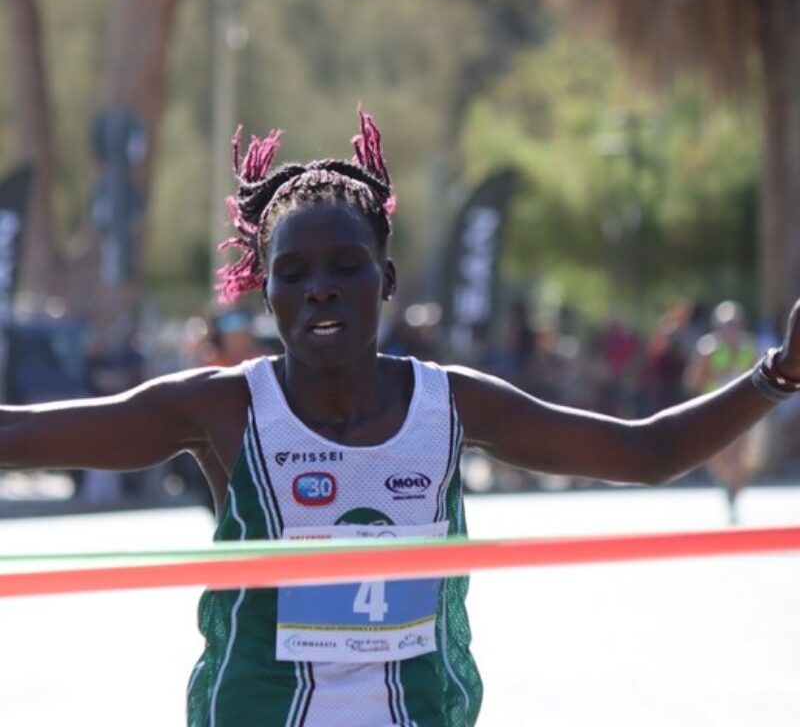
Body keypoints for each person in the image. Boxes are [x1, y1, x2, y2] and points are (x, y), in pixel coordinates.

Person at [2, 107, 800, 727]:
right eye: (296, 273)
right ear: (267, 291)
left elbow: (649, 452)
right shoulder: (223, 407)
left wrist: (780, 373)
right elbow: (22, 436)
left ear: (383, 280)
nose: (320, 289)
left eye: (345, 268)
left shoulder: (453, 403)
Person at [684, 300, 763, 523]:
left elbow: (761, 377)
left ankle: (734, 496)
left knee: (739, 456)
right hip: (714, 408)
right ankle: (727, 485)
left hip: (742, 409)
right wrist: (715, 375)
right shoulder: (707, 348)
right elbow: (692, 381)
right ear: (717, 326)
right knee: (718, 459)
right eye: (726, 324)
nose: (731, 329)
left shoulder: (750, 346)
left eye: (735, 323)